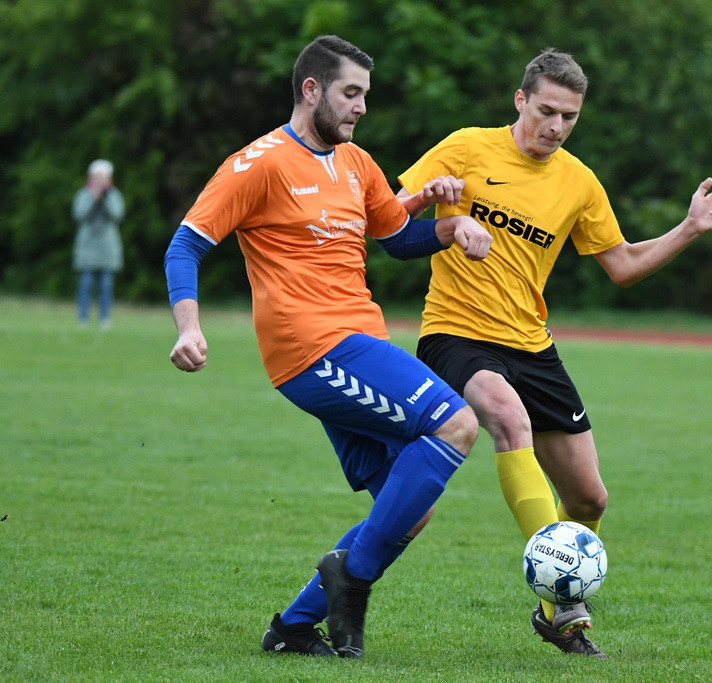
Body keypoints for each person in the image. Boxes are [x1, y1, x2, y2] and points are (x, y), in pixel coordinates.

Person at [397, 48, 712, 658]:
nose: (555, 127)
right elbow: (388, 219)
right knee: (506, 417)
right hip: (456, 332)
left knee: (590, 498)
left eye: (569, 117)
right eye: (546, 111)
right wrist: (427, 197)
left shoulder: (578, 182)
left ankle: (557, 606)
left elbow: (623, 266)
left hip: (533, 345)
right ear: (520, 100)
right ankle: (565, 602)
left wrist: (687, 229)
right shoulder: (466, 148)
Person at [164, 35, 492, 659]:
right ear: (311, 90)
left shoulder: (356, 164)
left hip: (358, 339)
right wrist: (189, 325)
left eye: (365, 95)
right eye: (351, 93)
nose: (361, 107)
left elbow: (394, 239)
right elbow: (185, 244)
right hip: (313, 347)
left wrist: (448, 226)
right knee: (457, 424)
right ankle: (353, 580)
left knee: (406, 508)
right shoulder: (257, 163)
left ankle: (291, 627)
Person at [72, 159, 125, 329]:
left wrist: (105, 199)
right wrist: (92, 199)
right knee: (85, 284)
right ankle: (83, 318)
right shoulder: (84, 194)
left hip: (107, 248)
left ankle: (105, 318)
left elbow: (117, 215)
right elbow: (78, 215)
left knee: (106, 285)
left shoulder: (114, 195)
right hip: (87, 246)